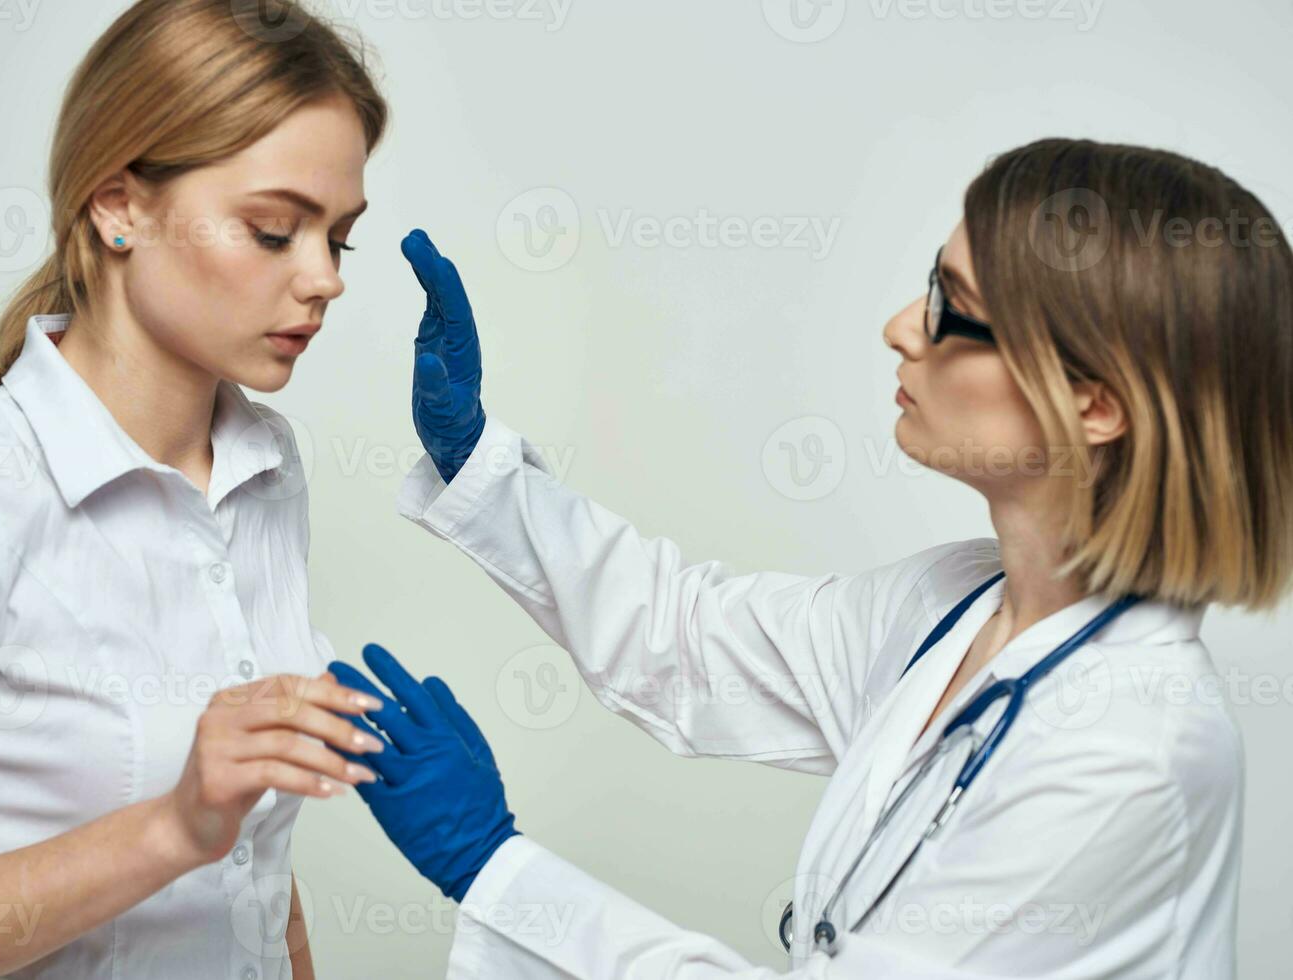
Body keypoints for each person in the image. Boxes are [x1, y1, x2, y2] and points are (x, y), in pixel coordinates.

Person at [328, 140, 1293, 977]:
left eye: (949, 307)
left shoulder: (1131, 750)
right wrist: (482, 467)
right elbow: (686, 640)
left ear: (1094, 403)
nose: (899, 329)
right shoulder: (958, 601)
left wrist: (497, 869)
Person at [0, 2, 392, 977]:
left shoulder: (264, 465)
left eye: (340, 238)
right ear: (118, 205)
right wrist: (172, 824)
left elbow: (256, 878)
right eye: (274, 229)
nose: (324, 278)